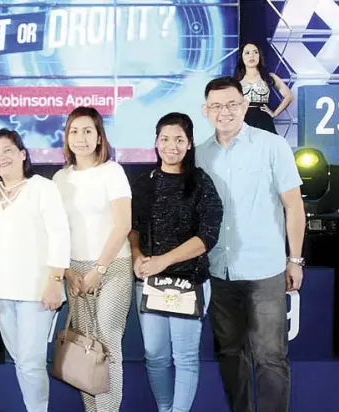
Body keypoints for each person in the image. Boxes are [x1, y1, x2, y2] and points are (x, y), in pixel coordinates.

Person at [197, 76, 305, 412]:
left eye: (231, 104)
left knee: (271, 356)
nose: (224, 111)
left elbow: (294, 206)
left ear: (244, 105)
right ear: (205, 110)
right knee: (230, 355)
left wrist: (295, 260)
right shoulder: (199, 154)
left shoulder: (272, 146)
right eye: (216, 105)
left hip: (266, 269)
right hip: (218, 270)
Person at [129, 112, 223, 412]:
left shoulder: (201, 183)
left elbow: (207, 236)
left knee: (184, 357)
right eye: (165, 139)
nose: (172, 146)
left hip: (188, 281)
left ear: (190, 143)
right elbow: (133, 227)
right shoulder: (143, 183)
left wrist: (163, 261)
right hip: (149, 282)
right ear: (156, 142)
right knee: (154, 355)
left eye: (179, 140)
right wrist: (138, 256)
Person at [52, 106, 133, 412]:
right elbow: (58, 231)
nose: (81, 138)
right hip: (76, 271)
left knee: (108, 342)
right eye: (74, 131)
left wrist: (99, 269)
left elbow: (123, 224)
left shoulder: (112, 171)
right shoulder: (60, 179)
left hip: (112, 266)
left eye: (88, 131)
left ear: (99, 136)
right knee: (84, 346)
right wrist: (70, 272)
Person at [0, 129, 70, 412]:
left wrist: (55, 280)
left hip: (37, 290)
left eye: (8, 150)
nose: (1, 157)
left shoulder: (42, 188)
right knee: (21, 361)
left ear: (23, 155)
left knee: (31, 363)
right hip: (1, 290)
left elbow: (60, 234)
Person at [233, 42, 294, 134]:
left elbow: (289, 95)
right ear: (241, 57)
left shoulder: (269, 76)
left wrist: (275, 113)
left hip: (263, 119)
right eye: (247, 53)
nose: (251, 56)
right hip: (242, 120)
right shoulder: (236, 79)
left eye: (255, 52)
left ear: (260, 56)